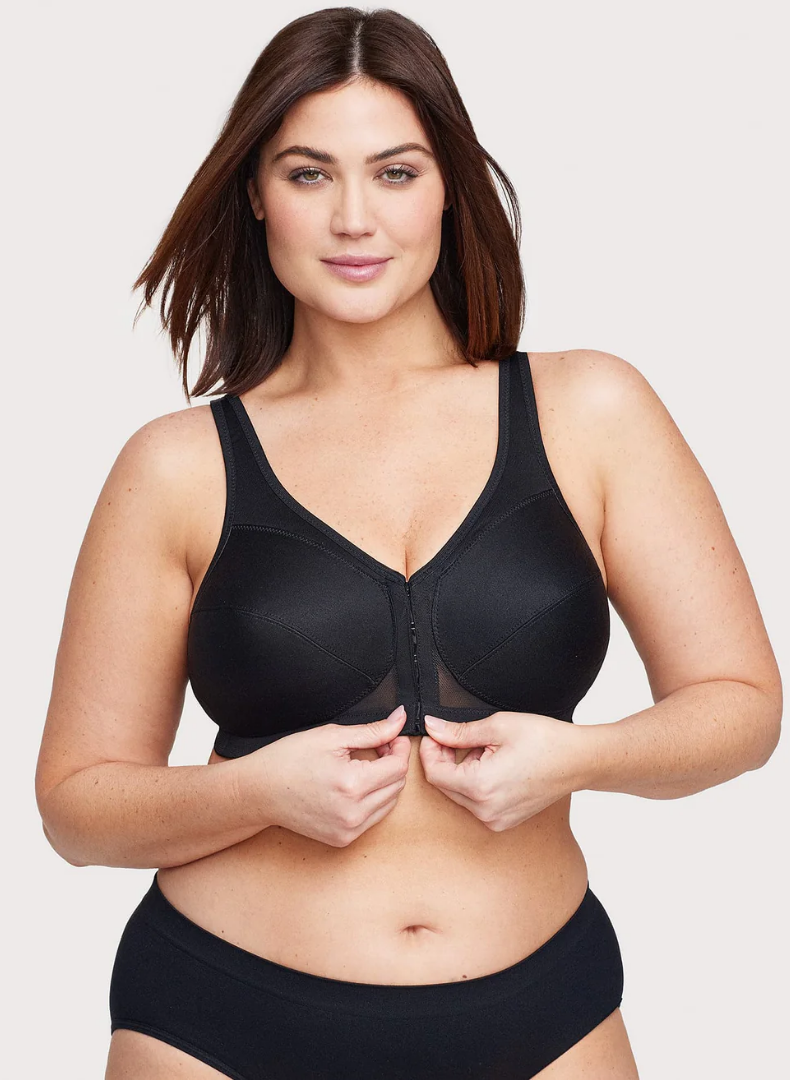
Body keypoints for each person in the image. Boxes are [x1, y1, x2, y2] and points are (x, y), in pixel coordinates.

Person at [34, 8, 781, 1079]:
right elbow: (77, 807)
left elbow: (741, 707)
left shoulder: (592, 411)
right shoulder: (174, 467)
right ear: (256, 194)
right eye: (308, 174)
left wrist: (580, 758)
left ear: (447, 189)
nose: (354, 218)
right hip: (219, 1017)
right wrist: (258, 793)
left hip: (542, 1010)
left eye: (394, 172)